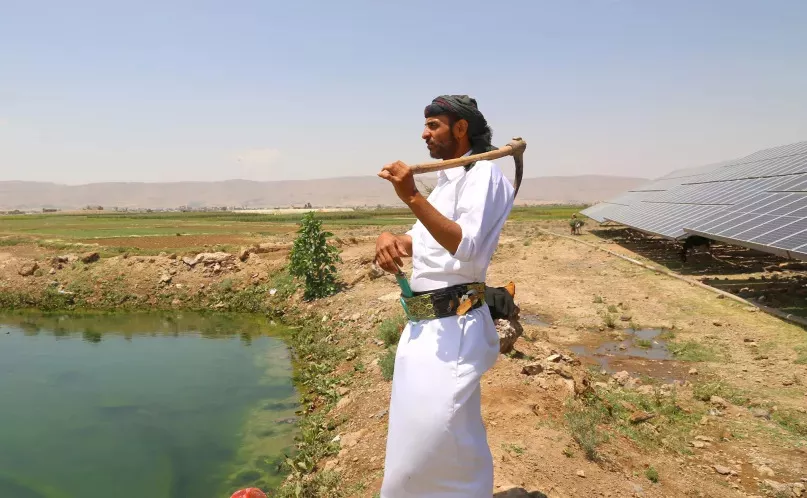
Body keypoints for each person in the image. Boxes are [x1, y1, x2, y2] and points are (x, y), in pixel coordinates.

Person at [374, 95, 516, 497]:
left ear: (460, 129)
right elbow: (423, 243)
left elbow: (465, 246)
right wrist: (392, 239)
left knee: (435, 440)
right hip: (423, 330)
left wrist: (412, 197)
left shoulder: (485, 176)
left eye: (433, 125)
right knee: (417, 441)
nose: (424, 133)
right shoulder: (449, 181)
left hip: (455, 329)